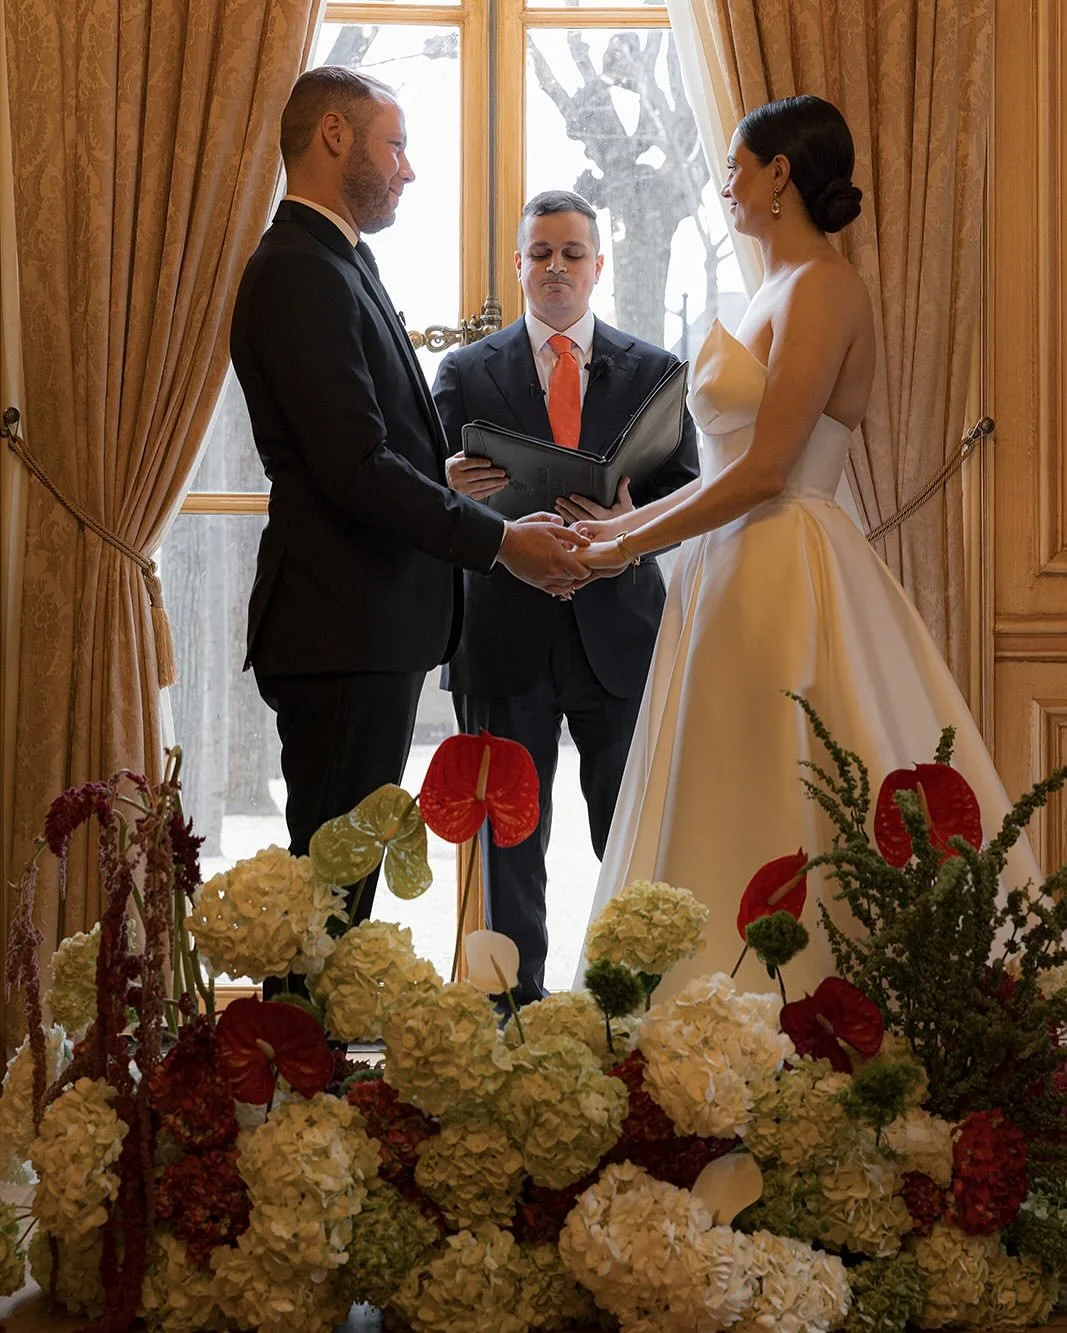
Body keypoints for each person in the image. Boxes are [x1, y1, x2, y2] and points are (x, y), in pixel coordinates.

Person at [572, 95, 1041, 999]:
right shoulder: (771, 290)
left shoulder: (826, 287)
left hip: (781, 560)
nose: (724, 183)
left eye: (736, 166)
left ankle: (806, 1006)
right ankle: (703, 1013)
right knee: (719, 778)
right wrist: (616, 529)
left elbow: (764, 472)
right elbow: (727, 468)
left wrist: (621, 545)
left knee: (788, 780)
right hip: (726, 569)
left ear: (779, 172)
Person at [230, 68, 589, 957]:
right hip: (338, 629)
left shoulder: (338, 259)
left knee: (336, 901)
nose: (409, 170)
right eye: (396, 145)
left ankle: (313, 1077)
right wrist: (501, 541)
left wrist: (446, 482)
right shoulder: (298, 270)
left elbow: (371, 447)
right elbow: (353, 466)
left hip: (364, 628)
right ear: (334, 137)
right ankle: (298, 1080)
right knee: (325, 901)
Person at [433, 190, 699, 1005]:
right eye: (539, 252)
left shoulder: (653, 371)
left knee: (628, 832)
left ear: (597, 266)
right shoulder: (464, 373)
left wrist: (631, 527)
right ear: (517, 265)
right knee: (511, 844)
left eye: (570, 253)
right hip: (503, 635)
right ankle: (516, 1015)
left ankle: (631, 1015)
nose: (555, 267)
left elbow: (688, 493)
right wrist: (444, 479)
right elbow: (423, 496)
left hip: (617, 633)